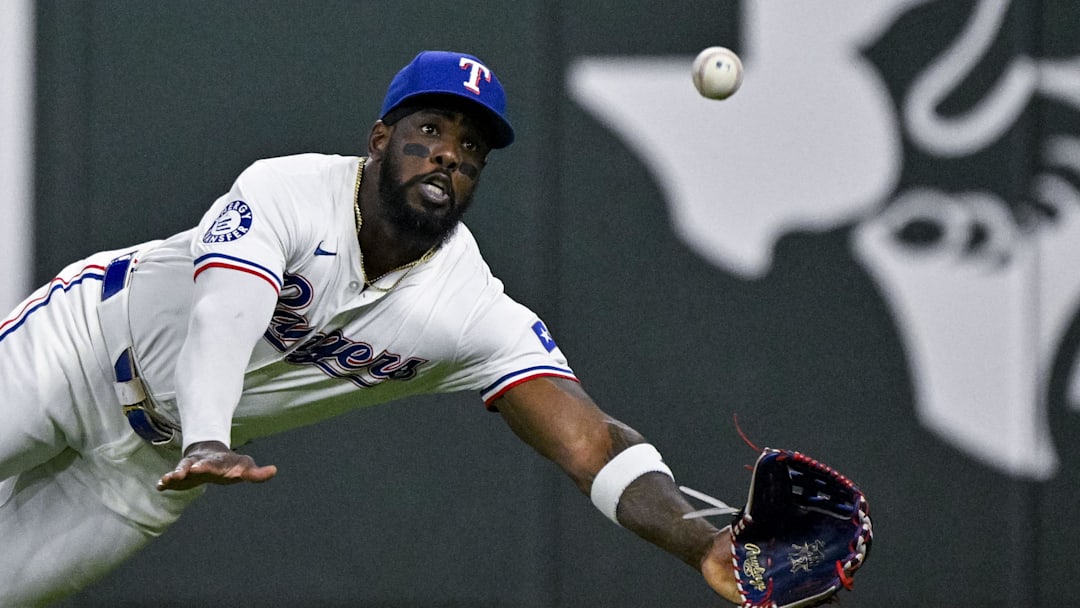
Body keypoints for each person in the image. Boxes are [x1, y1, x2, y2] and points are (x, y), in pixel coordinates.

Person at [0, 50, 739, 605]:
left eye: (472, 147)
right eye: (431, 128)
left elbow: (592, 443)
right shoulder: (286, 191)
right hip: (78, 353)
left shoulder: (469, 308)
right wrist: (208, 438)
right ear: (380, 138)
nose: (450, 152)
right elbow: (222, 317)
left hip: (140, 479)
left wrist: (701, 544)